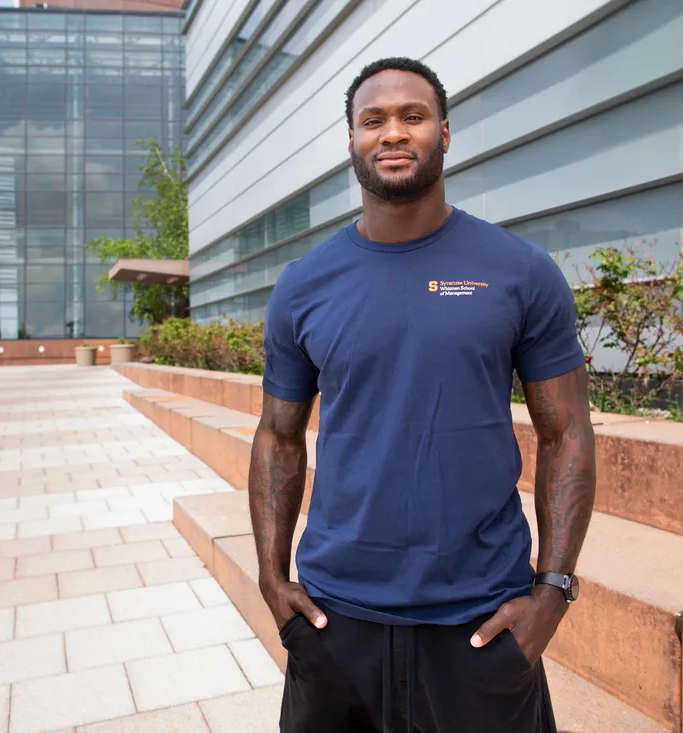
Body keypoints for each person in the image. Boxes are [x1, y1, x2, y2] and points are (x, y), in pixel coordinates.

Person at [248, 56, 596, 733]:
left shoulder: (520, 271)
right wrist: (270, 573)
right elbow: (278, 433)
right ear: (351, 140)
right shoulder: (303, 285)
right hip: (334, 622)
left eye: (412, 115)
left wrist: (552, 590)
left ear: (444, 130)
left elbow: (568, 432)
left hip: (480, 624)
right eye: (372, 120)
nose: (393, 132)